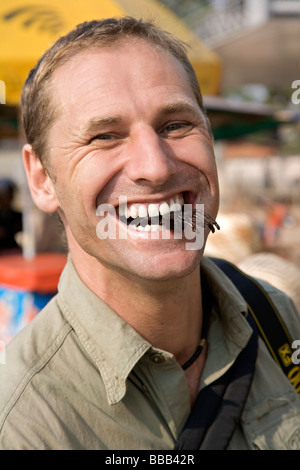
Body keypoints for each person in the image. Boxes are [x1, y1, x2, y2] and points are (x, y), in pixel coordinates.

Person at [0, 17, 299, 451]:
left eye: (176, 125)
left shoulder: (273, 315)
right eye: (105, 136)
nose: (155, 167)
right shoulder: (26, 422)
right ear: (43, 179)